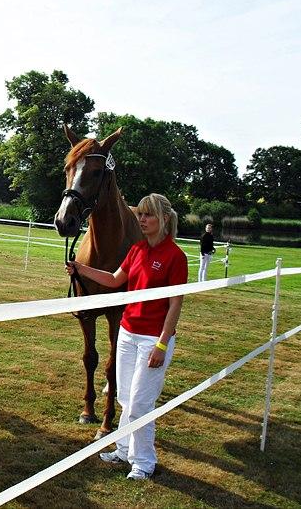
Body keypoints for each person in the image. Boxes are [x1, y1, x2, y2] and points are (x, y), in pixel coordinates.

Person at [66, 193, 187, 480]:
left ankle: (144, 462)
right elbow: (114, 280)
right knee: (124, 398)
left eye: (148, 215)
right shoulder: (136, 250)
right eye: (140, 215)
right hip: (128, 335)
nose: (142, 220)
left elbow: (175, 304)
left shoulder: (175, 257)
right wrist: (81, 269)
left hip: (152, 340)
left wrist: (162, 343)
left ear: (164, 219)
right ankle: (123, 449)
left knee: (141, 404)